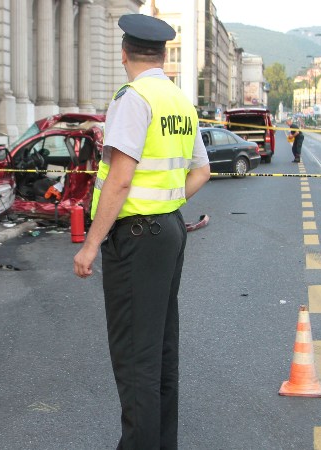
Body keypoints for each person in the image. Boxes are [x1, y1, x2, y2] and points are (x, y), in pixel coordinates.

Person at [73, 14, 211, 448]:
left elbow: (120, 179)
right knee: (161, 351)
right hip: (168, 230)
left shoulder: (133, 97)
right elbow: (201, 170)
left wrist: (91, 244)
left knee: (136, 357)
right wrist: (167, 203)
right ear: (165, 55)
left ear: (124, 53)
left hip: (136, 238)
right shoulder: (178, 100)